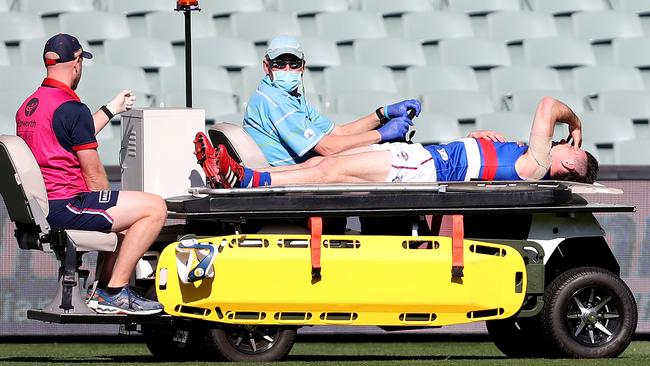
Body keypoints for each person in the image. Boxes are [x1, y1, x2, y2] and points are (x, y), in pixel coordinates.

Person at [15, 33, 166, 315]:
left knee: (125, 216)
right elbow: (94, 173)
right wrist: (109, 202)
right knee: (154, 209)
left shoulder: (29, 106)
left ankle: (100, 290)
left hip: (42, 205)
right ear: (76, 63)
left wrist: (110, 109)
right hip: (66, 204)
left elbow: (67, 134)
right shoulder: (72, 108)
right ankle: (114, 292)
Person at [195, 96, 598, 188]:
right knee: (317, 169)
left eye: (571, 146)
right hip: (422, 160)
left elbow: (548, 106)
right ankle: (243, 175)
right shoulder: (528, 158)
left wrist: (576, 121)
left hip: (423, 167)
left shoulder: (537, 168)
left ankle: (248, 181)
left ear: (566, 166)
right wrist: (475, 139)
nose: (566, 140)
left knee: (331, 167)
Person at [242, 35, 421, 166]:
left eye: (294, 64)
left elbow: (339, 133)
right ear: (267, 66)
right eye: (280, 64)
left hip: (302, 173)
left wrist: (382, 113)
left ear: (302, 67)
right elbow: (328, 148)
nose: (287, 69)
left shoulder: (289, 96)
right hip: (292, 181)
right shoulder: (275, 101)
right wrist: (381, 134)